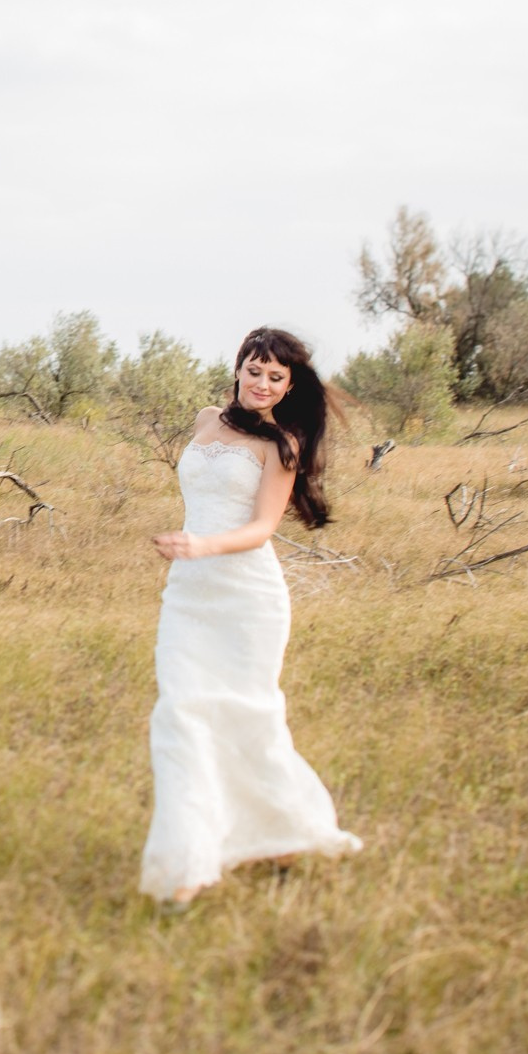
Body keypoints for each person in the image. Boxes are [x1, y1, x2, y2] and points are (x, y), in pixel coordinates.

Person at [144, 326, 360, 907]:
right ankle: (185, 869)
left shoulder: (281, 445)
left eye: (276, 377)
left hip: (246, 598)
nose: (262, 383)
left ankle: (282, 836)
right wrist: (193, 554)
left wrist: (200, 546)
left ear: (289, 387)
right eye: (255, 369)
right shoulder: (203, 419)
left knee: (249, 719)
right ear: (238, 366)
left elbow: (261, 529)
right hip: (188, 596)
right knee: (181, 714)